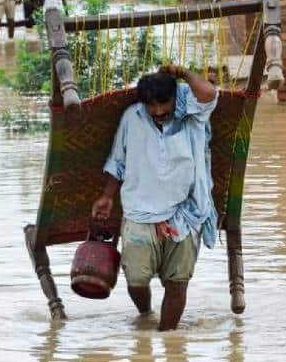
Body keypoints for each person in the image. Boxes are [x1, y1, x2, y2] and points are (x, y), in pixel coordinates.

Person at [91, 64, 219, 331]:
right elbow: (118, 161)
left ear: (176, 97)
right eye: (152, 106)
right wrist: (107, 197)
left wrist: (182, 73)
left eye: (164, 104)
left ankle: (167, 337)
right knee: (136, 280)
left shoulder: (192, 115)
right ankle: (146, 314)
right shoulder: (132, 118)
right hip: (140, 211)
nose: (159, 111)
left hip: (185, 213)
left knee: (177, 283)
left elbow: (207, 93)